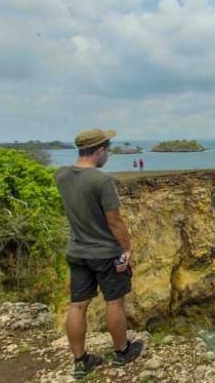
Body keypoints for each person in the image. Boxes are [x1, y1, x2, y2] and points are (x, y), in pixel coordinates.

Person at [54, 129, 143, 379]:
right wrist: (127, 249)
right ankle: (122, 351)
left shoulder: (61, 175)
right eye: (108, 148)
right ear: (100, 149)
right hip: (105, 253)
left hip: (77, 250)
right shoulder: (102, 181)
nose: (109, 153)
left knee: (78, 305)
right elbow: (114, 220)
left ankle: (81, 361)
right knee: (114, 301)